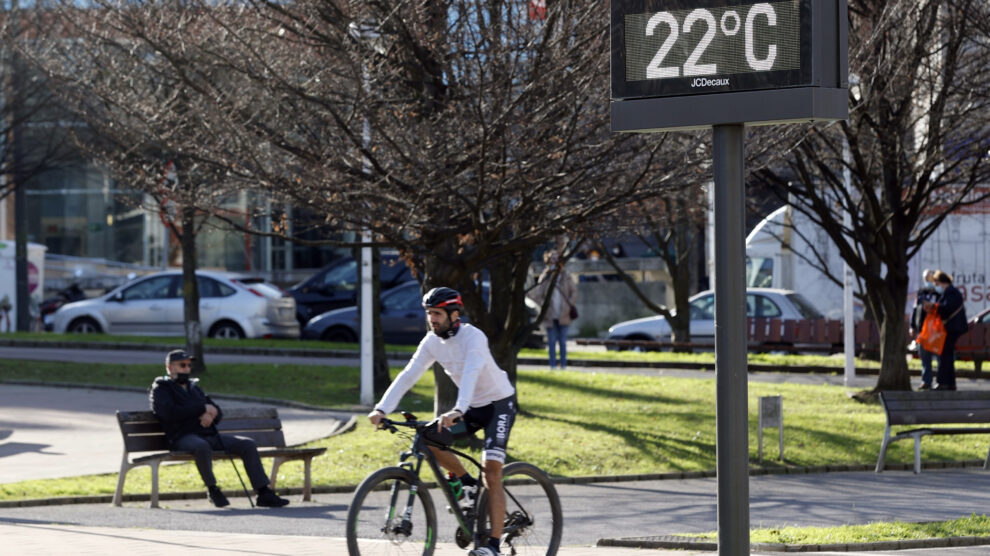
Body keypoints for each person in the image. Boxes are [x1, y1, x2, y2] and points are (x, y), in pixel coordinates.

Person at [368, 287, 516, 556]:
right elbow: (408, 374)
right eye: (429, 314)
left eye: (437, 314)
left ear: (454, 314)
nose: (432, 319)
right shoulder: (431, 341)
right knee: (428, 437)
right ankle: (467, 483)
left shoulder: (474, 338)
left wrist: (457, 409)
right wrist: (381, 408)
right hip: (471, 407)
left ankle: (493, 546)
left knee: (492, 471)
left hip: (498, 405)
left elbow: (471, 374)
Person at [150, 349, 290, 508]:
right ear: (169, 368)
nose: (187, 369)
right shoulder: (161, 389)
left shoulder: (194, 387)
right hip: (182, 437)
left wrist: (211, 414)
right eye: (182, 365)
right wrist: (201, 409)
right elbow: (167, 413)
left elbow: (216, 411)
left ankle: (264, 492)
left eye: (189, 365)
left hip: (208, 435)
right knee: (200, 446)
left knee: (247, 444)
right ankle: (212, 488)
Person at [529, 250, 578, 370]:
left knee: (562, 341)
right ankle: (552, 366)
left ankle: (563, 365)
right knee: (551, 342)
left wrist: (569, 305)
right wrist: (544, 307)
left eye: (557, 259)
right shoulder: (545, 276)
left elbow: (574, 292)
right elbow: (538, 295)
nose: (555, 261)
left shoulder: (566, 276)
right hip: (549, 315)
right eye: (552, 259)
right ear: (548, 261)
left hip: (564, 314)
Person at [922, 271, 968, 391]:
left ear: (942, 282)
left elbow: (946, 308)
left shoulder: (951, 292)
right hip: (952, 328)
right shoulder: (951, 292)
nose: (935, 285)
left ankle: (943, 383)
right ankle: (949, 383)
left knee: (944, 356)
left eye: (936, 283)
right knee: (946, 355)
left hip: (952, 328)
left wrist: (933, 306)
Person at [910, 269, 938, 390]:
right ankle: (926, 381)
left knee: (938, 358)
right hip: (922, 329)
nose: (928, 280)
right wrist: (912, 326)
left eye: (931, 278)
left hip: (936, 330)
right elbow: (915, 310)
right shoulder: (921, 293)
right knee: (924, 356)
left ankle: (940, 382)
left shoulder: (938, 293)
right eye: (926, 278)